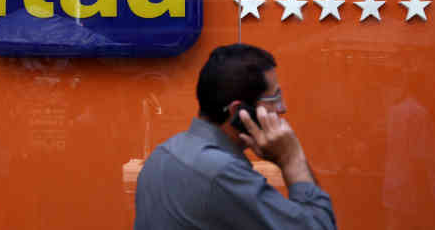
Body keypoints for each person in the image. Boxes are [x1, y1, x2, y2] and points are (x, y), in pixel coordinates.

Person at [134, 43, 336, 230]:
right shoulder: (220, 173)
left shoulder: (163, 153)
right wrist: (292, 160)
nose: (283, 108)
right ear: (239, 111)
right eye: (274, 98)